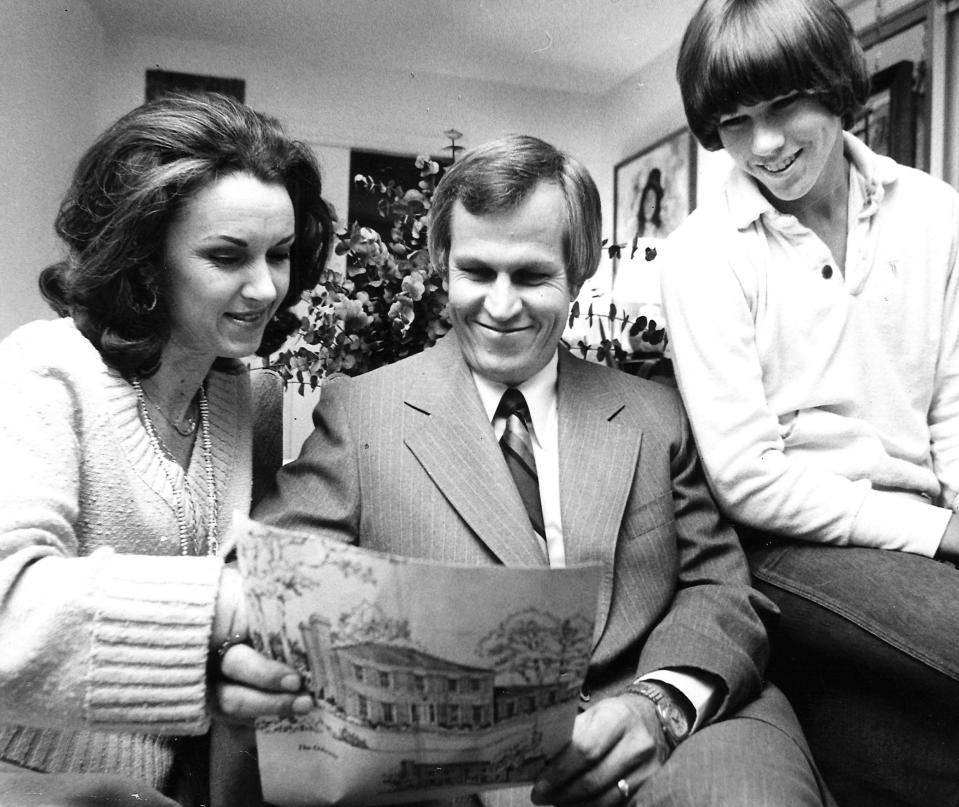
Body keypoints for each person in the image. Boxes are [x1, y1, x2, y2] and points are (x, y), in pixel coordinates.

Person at [255, 134, 833, 806]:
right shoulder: (359, 414)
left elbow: (718, 586)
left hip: (676, 727)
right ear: (441, 263)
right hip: (464, 763)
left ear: (579, 270)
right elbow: (279, 585)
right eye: (476, 273)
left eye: (531, 277)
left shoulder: (655, 414)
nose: (500, 307)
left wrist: (659, 705)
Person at [661, 1, 959, 804]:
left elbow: (951, 404)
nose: (764, 145)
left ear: (834, 87)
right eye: (733, 121)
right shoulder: (700, 255)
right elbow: (748, 478)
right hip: (787, 543)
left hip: (921, 525)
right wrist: (938, 532)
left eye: (784, 105)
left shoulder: (935, 212)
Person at [0, 92, 332, 804]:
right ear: (144, 261)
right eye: (225, 255)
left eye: (279, 254)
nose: (266, 286)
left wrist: (221, 677)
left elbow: (165, 650)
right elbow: (9, 608)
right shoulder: (41, 369)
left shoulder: (236, 392)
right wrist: (233, 605)